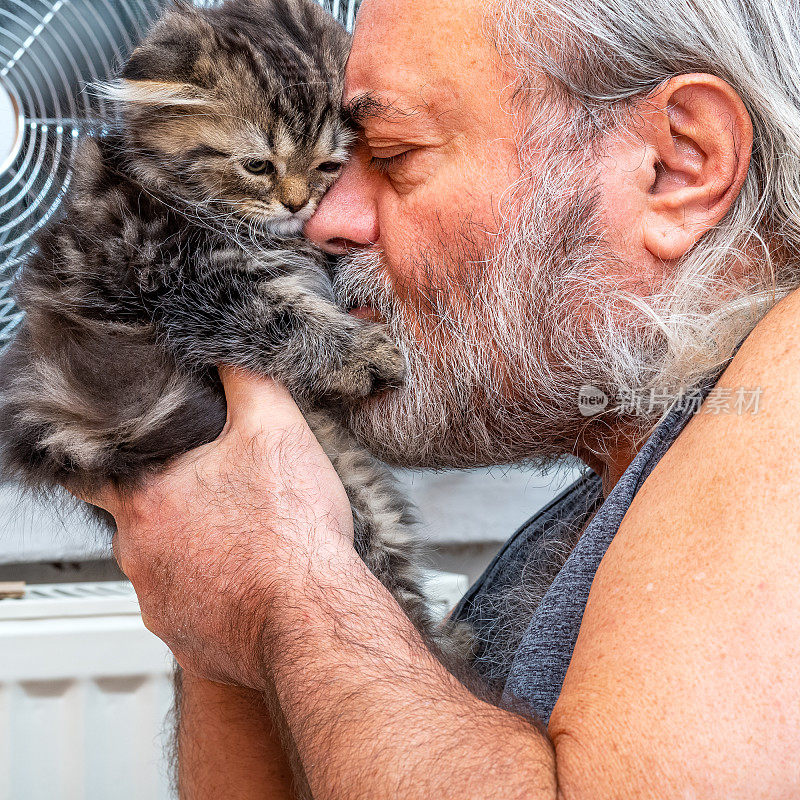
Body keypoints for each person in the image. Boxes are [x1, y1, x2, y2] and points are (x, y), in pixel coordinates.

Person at [85, 0, 800, 796]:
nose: (324, 216)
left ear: (678, 166)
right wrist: (229, 586)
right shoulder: (617, 492)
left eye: (389, 153)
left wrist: (294, 586)